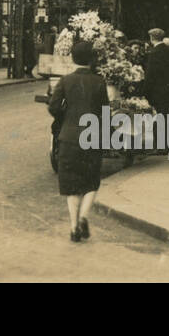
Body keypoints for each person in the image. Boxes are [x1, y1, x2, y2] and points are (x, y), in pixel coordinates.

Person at [47, 41, 110, 243]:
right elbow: (105, 112)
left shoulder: (65, 81)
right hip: (92, 137)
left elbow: (53, 107)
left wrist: (66, 116)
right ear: (91, 59)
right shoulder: (99, 81)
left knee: (71, 184)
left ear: (72, 58)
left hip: (69, 137)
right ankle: (84, 216)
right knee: (91, 182)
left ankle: (74, 227)